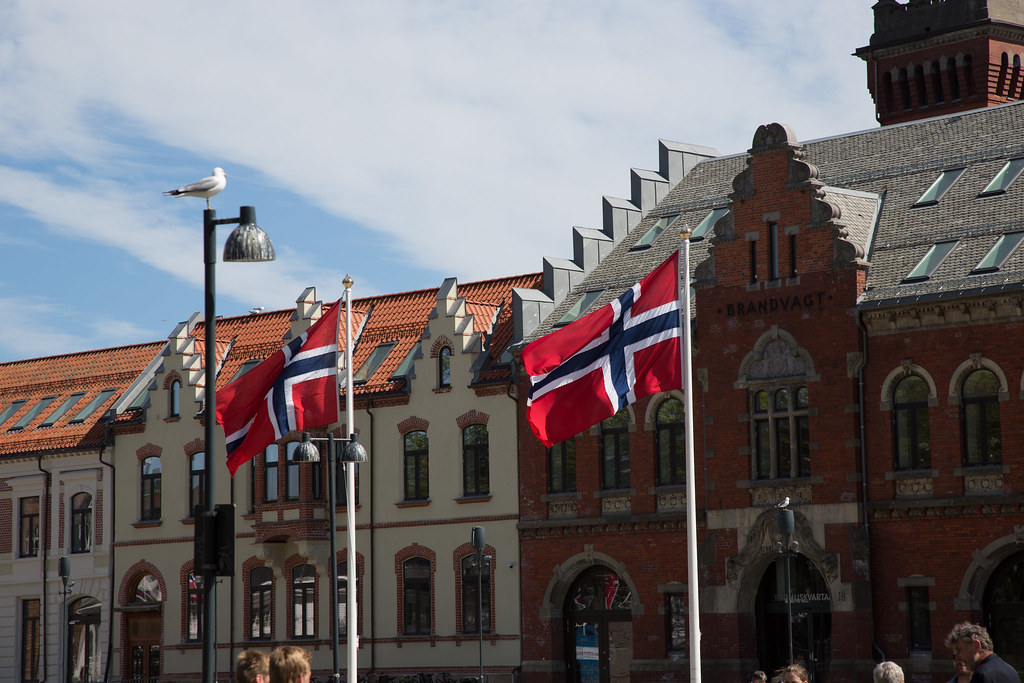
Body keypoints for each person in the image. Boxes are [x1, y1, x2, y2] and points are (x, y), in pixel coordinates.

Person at [945, 622, 1018, 683]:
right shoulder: (1011, 670)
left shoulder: (981, 675)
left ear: (976, 645)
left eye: (959, 650)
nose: (957, 657)